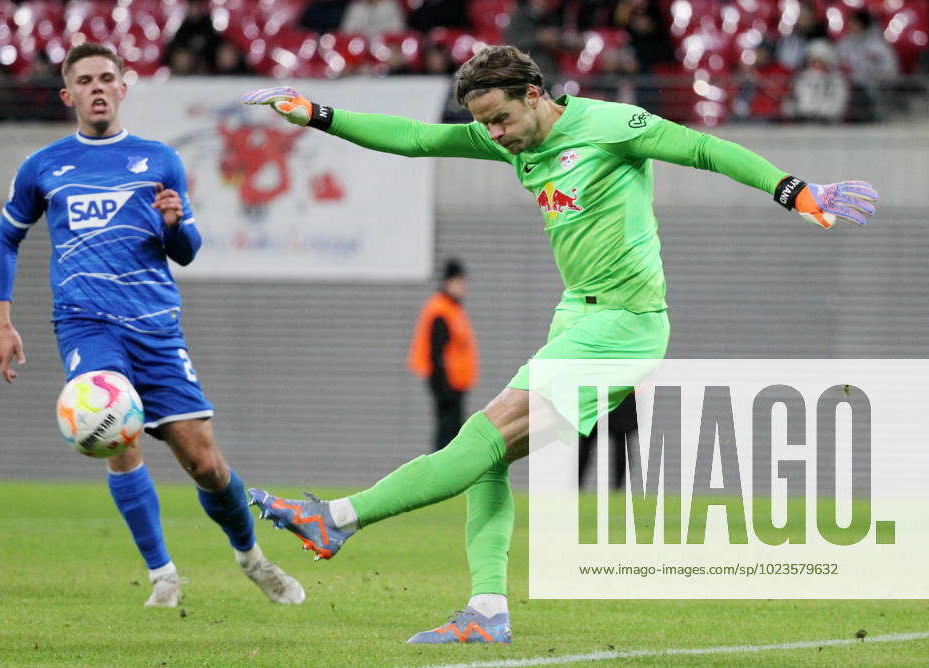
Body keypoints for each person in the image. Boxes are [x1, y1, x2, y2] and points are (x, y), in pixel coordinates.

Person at [240, 45, 878, 643]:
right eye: (484, 125)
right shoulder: (510, 140)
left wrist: (795, 192)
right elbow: (414, 139)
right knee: (489, 459)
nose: (496, 135)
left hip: (626, 323)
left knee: (483, 434)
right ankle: (486, 611)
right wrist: (318, 115)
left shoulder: (613, 125)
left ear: (536, 94)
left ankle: (339, 519)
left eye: (502, 119)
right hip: (576, 317)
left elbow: (704, 149)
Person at [0, 42, 304, 609]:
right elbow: (6, 239)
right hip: (86, 325)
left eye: (107, 77)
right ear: (68, 95)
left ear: (124, 86)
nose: (97, 88)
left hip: (156, 328)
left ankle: (250, 556)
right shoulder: (44, 166)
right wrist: (3, 321)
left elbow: (186, 250)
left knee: (206, 465)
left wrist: (176, 225)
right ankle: (163, 575)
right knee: (115, 430)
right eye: (85, 81)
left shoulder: (159, 159)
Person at [408, 258, 478, 452]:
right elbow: (436, 352)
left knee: (452, 434)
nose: (464, 287)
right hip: (447, 385)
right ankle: (442, 479)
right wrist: (442, 386)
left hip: (456, 384)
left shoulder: (452, 309)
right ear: (449, 282)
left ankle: (447, 478)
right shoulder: (441, 311)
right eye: (460, 282)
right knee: (446, 436)